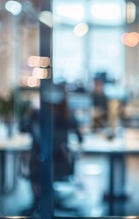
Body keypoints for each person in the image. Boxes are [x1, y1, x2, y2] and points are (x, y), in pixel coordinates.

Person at [21, 83, 83, 215]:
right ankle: (44, 201)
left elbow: (22, 128)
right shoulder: (66, 114)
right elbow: (80, 137)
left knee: (35, 167)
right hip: (61, 164)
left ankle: (38, 200)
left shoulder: (38, 114)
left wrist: (30, 111)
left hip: (38, 163)